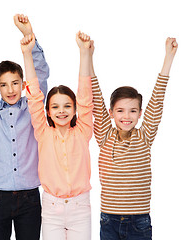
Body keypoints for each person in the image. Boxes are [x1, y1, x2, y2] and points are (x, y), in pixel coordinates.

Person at [90, 37, 178, 239]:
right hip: (109, 219)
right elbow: (96, 95)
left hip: (139, 220)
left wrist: (168, 58)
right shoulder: (105, 136)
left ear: (140, 113)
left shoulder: (144, 136)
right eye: (120, 110)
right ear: (111, 113)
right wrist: (89, 57)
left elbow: (157, 100)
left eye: (132, 111)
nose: (126, 116)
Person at [0, 14, 50, 239]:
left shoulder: (31, 106)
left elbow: (41, 74)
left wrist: (28, 35)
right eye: (4, 85)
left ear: (23, 84)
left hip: (29, 196)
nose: (10, 89)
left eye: (15, 83)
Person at [24, 32, 94, 240]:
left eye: (67, 106)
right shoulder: (43, 133)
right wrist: (27, 54)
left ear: (74, 110)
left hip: (80, 206)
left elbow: (85, 97)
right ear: (47, 111)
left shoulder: (83, 131)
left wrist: (84, 53)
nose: (61, 111)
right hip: (51, 206)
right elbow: (34, 97)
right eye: (55, 106)